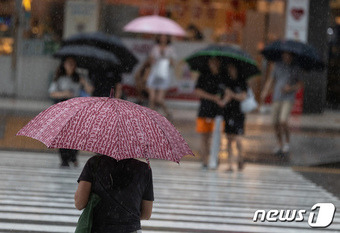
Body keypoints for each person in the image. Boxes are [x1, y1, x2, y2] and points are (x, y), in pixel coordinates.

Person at [75, 154, 154, 233]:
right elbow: (146, 214)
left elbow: (80, 204)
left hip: (98, 228)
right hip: (131, 229)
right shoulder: (144, 169)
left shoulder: (94, 163)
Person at [49, 57, 94, 167]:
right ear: (64, 65)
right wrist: (64, 93)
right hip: (63, 107)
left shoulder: (79, 78)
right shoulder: (59, 78)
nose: (71, 67)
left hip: (76, 107)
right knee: (63, 134)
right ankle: (64, 158)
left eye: (73, 64)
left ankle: (73, 156)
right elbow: (52, 93)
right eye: (69, 64)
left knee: (75, 133)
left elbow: (90, 90)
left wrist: (83, 82)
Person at [260, 52, 303, 156]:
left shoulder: (295, 67)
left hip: (288, 98)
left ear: (291, 56)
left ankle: (287, 142)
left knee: (283, 120)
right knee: (275, 122)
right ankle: (279, 143)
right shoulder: (277, 65)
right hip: (277, 97)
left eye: (288, 55)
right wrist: (265, 91)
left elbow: (300, 84)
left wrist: (290, 88)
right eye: (284, 54)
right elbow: (271, 79)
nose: (285, 57)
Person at [195, 57, 225, 169]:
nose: (213, 64)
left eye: (216, 61)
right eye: (211, 61)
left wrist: (223, 100)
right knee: (204, 137)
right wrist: (213, 98)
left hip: (219, 112)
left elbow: (226, 91)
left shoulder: (223, 76)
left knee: (217, 136)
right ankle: (205, 160)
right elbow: (198, 91)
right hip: (205, 110)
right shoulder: (204, 75)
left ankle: (215, 158)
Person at [219, 63, 247, 171]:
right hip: (228, 113)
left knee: (238, 138)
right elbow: (225, 99)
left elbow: (243, 96)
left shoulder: (242, 81)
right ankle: (230, 164)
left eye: (233, 67)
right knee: (229, 139)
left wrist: (233, 95)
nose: (231, 70)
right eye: (229, 68)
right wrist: (225, 99)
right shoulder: (226, 82)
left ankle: (240, 158)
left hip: (239, 113)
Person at [146, 35, 176, 118]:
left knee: (159, 99)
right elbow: (150, 60)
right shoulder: (155, 48)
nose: (163, 38)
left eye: (165, 37)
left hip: (164, 74)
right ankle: (150, 116)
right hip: (154, 73)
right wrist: (152, 59)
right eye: (161, 36)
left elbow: (172, 63)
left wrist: (165, 57)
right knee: (152, 98)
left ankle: (168, 112)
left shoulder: (170, 49)